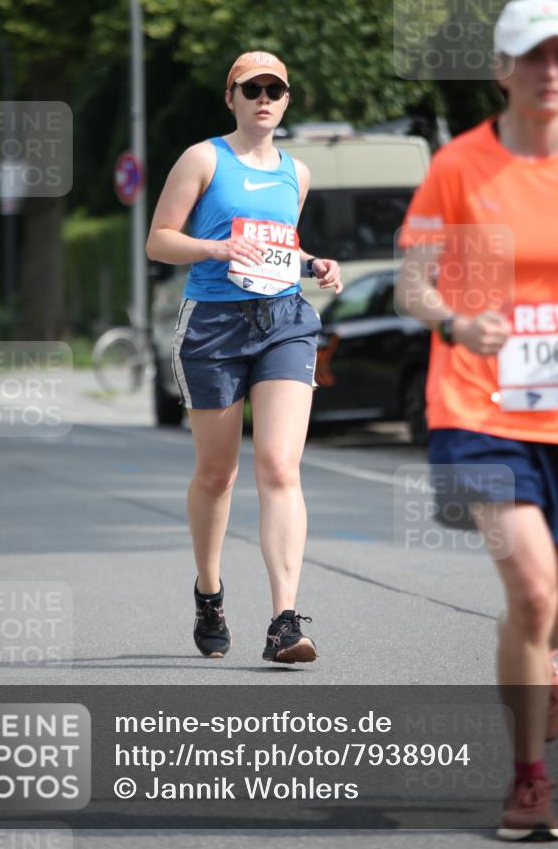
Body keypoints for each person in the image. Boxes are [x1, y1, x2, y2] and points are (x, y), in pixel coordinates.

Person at [396, 0, 558, 841]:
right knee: (530, 586)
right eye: (532, 57)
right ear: (501, 70)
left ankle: (541, 649)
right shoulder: (459, 165)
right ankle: (527, 782)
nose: (549, 72)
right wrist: (455, 321)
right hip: (476, 405)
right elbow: (411, 281)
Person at [146, 51, 342, 664]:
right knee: (217, 473)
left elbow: (279, 242)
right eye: (251, 88)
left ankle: (285, 620)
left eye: (274, 89)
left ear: (286, 100)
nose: (263, 97)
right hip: (213, 328)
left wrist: (313, 263)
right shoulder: (204, 158)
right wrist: (214, 247)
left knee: (281, 467)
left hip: (285, 322)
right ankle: (209, 591)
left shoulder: (297, 173)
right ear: (230, 96)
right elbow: (160, 240)